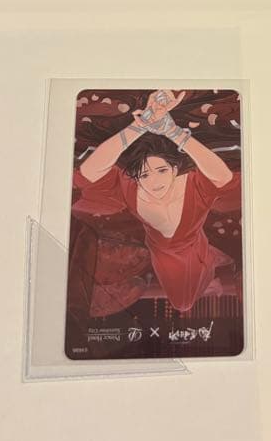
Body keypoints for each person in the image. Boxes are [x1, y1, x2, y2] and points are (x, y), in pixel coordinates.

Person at [73, 90, 241, 312]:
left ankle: (208, 257)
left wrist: (173, 132)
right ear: (136, 177)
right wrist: (139, 126)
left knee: (183, 303)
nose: (154, 182)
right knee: (183, 303)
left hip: (193, 239)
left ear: (175, 169)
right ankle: (208, 260)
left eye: (161, 170)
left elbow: (224, 178)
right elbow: (88, 173)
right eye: (144, 175)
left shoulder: (193, 182)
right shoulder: (129, 185)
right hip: (162, 251)